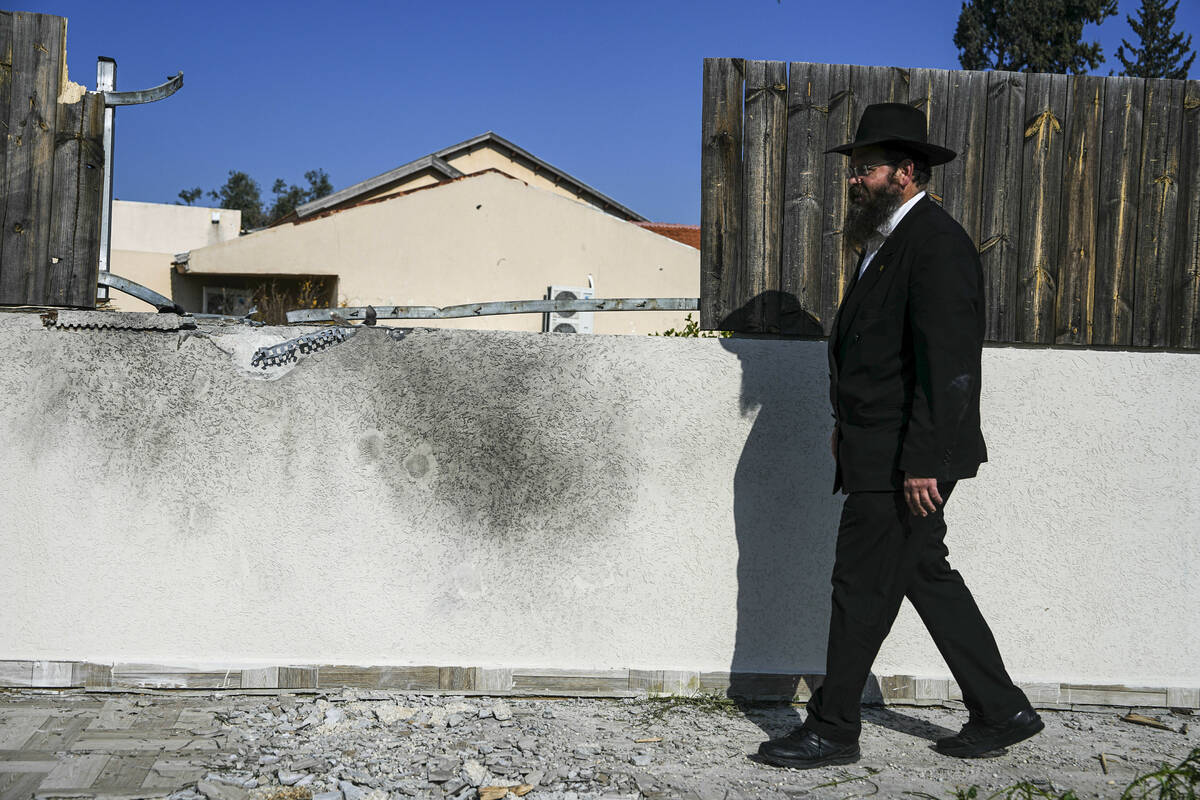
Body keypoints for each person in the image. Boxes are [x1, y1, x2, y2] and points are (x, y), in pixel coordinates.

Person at [757, 103, 1042, 768]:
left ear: (906, 172)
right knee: (924, 573)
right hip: (875, 445)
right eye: (853, 168)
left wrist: (926, 462)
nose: (853, 179)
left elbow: (948, 364)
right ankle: (1002, 710)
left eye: (866, 168)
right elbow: (876, 354)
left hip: (902, 457)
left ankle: (833, 728)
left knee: (858, 584)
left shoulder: (936, 244)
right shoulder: (885, 244)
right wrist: (842, 426)